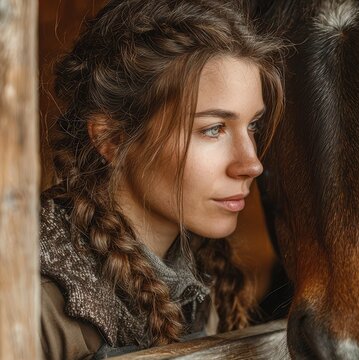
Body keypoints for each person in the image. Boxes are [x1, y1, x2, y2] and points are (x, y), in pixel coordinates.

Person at [39, 0, 284, 358]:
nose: (251, 164)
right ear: (112, 139)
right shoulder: (29, 301)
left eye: (253, 126)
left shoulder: (199, 282)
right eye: (213, 129)